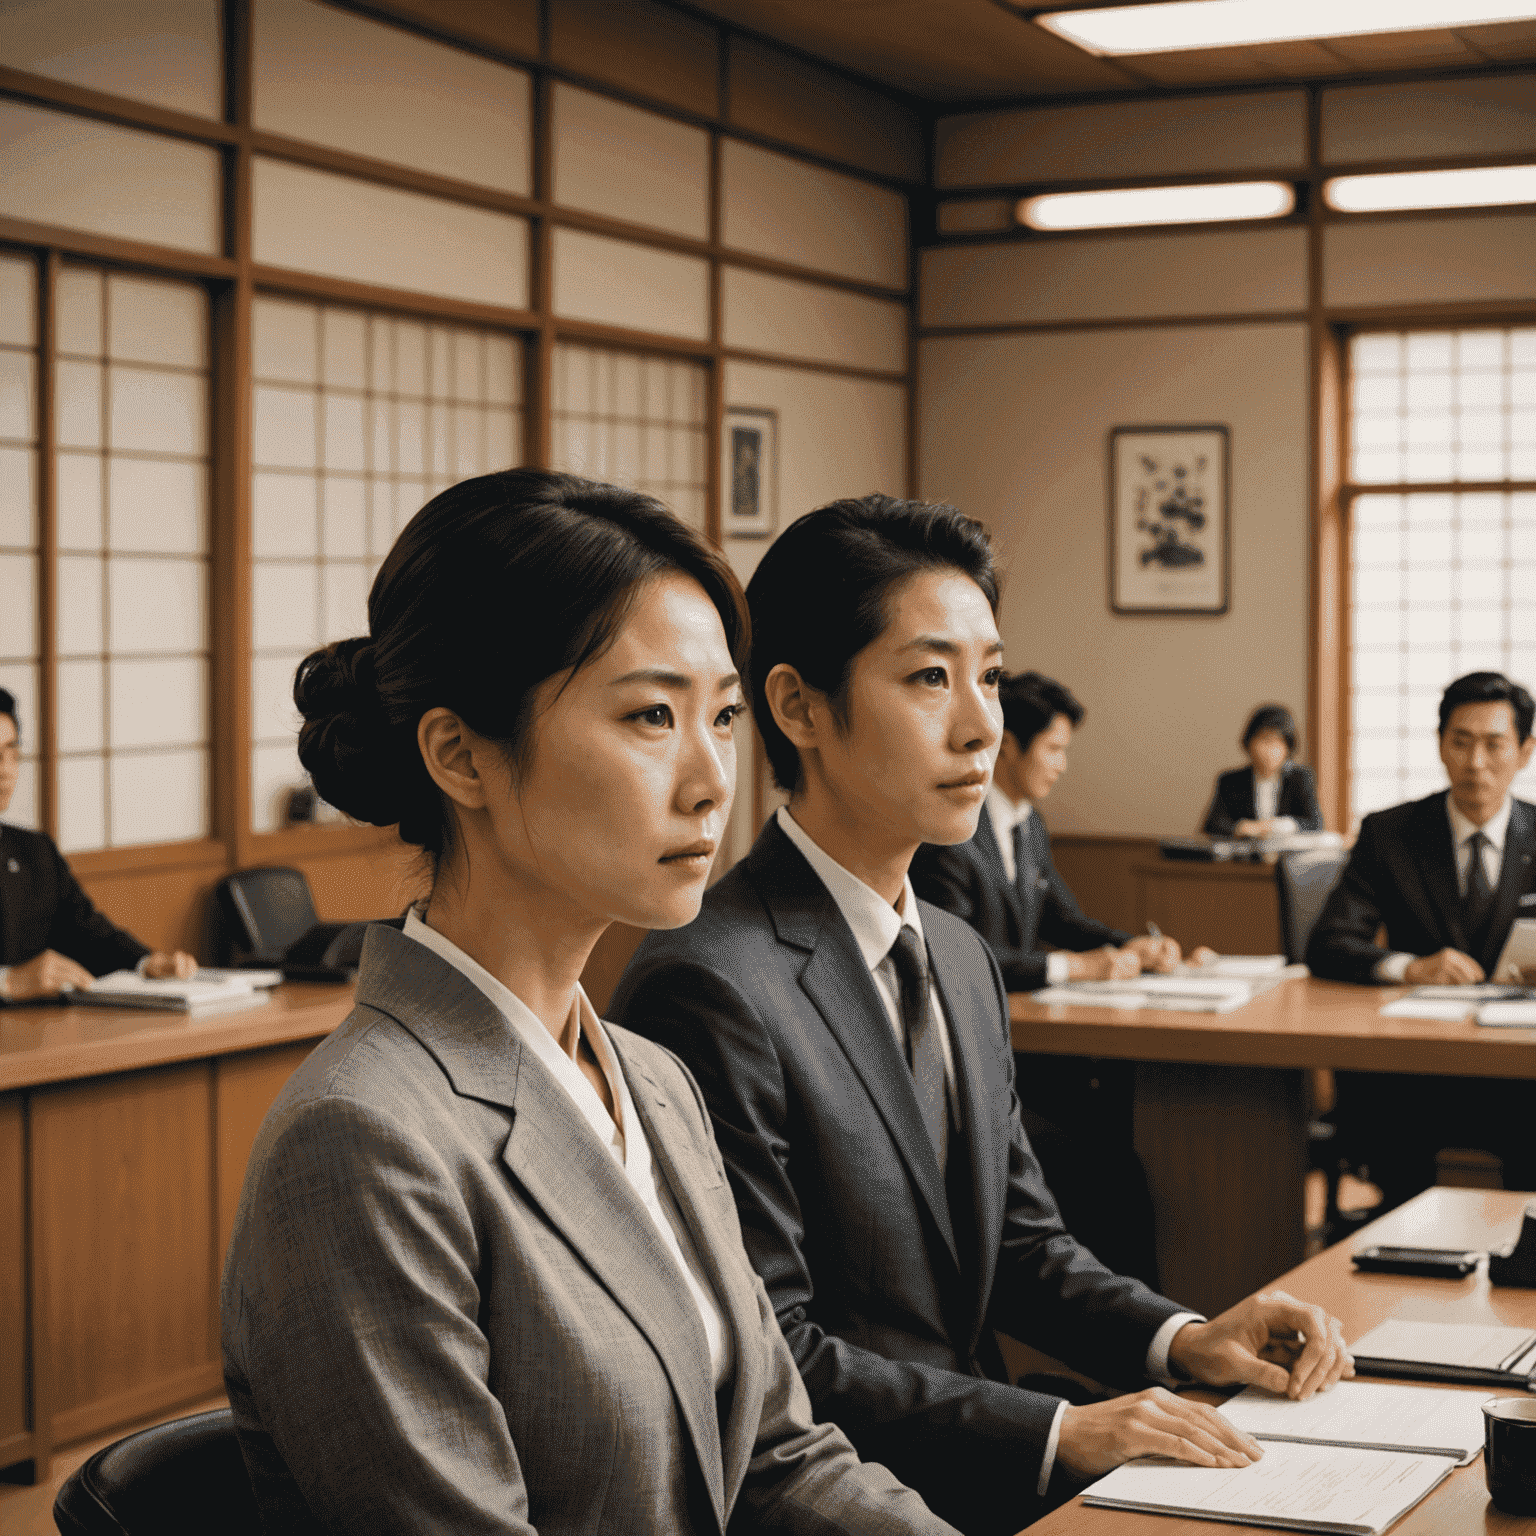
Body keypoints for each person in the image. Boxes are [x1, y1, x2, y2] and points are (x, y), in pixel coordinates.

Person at [221, 470, 959, 1536]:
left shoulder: (653, 1079)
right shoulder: (363, 1139)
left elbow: (778, 1457)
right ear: (460, 753)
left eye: (727, 716)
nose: (712, 780)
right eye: (653, 714)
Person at [610, 495, 1351, 1536]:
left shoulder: (956, 953)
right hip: (846, 1499)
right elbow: (769, 1350)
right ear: (799, 707)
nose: (981, 724)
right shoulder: (709, 980)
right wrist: (1062, 1432)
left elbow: (1024, 1248)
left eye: (989, 676)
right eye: (929, 677)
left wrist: (1187, 1338)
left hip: (984, 1466)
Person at [909, 670, 1180, 1287]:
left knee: (1122, 1138)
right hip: (988, 1058)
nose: (1061, 766)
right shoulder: (954, 833)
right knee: (1107, 1156)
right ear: (1009, 747)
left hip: (1037, 1050)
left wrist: (1132, 945)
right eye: (1053, 749)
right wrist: (1072, 967)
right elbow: (961, 953)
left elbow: (1062, 913)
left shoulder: (1027, 822)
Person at [1306, 670, 1536, 1209]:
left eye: (1494, 744)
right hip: (1414, 1072)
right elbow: (1330, 942)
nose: (1475, 762)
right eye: (1461, 742)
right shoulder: (1391, 833)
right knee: (1393, 1126)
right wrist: (1409, 967)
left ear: (1524, 751)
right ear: (1440, 745)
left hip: (1521, 1071)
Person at [0, 689, 197, 1002]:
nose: (5, 770)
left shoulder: (32, 850)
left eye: (12, 752)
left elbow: (85, 932)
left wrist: (145, 962)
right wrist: (8, 982)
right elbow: (16, 981)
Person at [1202, 704, 1324, 838]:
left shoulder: (1300, 778)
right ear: (1250, 742)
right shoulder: (1230, 781)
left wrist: (1282, 825)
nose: (1270, 750)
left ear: (1288, 747)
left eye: (1278, 742)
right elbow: (1212, 824)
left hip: (1287, 855)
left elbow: (1315, 824)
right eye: (1265, 740)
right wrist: (1242, 827)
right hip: (1245, 857)